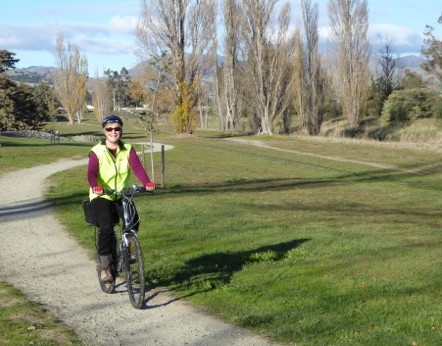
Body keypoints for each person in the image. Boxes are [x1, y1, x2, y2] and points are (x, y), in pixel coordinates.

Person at [87, 115, 155, 282]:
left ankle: (128, 249)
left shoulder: (128, 149)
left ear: (121, 131)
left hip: (121, 193)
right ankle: (104, 268)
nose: (113, 132)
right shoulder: (97, 151)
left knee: (133, 221)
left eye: (117, 128)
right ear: (104, 131)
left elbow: (137, 167)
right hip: (101, 195)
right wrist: (96, 185)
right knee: (107, 228)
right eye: (109, 129)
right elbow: (91, 173)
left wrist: (147, 182)